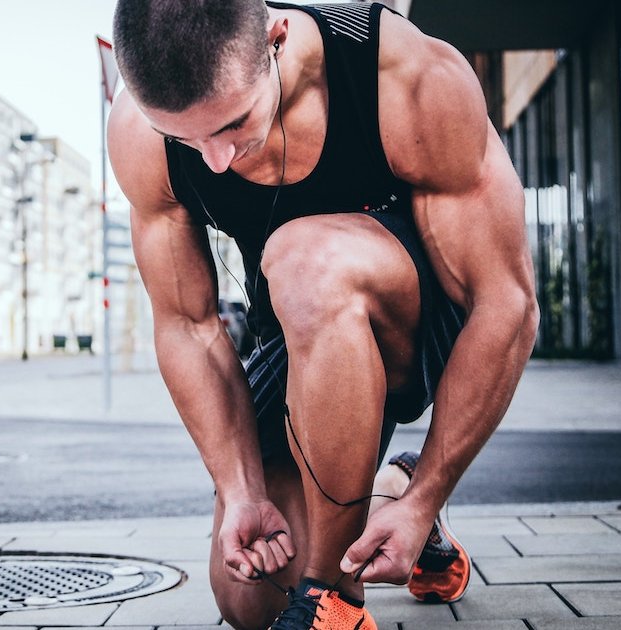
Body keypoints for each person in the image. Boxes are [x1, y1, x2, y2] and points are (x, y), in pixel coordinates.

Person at [107, 2, 539, 629]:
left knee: (305, 257)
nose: (215, 161)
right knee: (250, 598)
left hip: (425, 327)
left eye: (232, 123)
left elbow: (507, 303)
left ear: (276, 40)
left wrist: (429, 498)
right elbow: (188, 325)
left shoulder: (403, 74)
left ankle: (333, 602)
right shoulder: (139, 131)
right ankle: (385, 489)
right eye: (186, 139)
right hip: (301, 338)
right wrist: (240, 491)